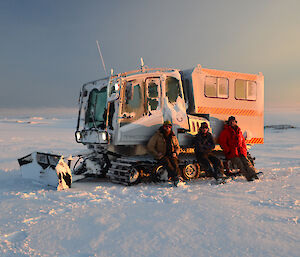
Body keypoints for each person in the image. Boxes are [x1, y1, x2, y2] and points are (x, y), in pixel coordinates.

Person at [218, 116, 258, 181]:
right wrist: (228, 151)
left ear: (235, 122)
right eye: (230, 122)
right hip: (232, 153)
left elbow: (243, 142)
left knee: (247, 163)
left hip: (241, 152)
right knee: (240, 165)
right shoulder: (225, 132)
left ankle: (254, 176)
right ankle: (249, 177)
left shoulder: (239, 131)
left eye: (233, 121)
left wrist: (244, 150)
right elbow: (222, 143)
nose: (232, 123)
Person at [147, 120, 184, 186]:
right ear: (163, 127)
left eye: (169, 127)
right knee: (168, 164)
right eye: (166, 126)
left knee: (175, 164)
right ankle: (176, 178)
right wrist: (157, 153)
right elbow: (150, 146)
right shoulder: (157, 135)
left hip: (171, 154)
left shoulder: (173, 136)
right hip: (162, 155)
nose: (167, 128)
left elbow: (177, 146)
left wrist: (175, 152)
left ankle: (178, 177)